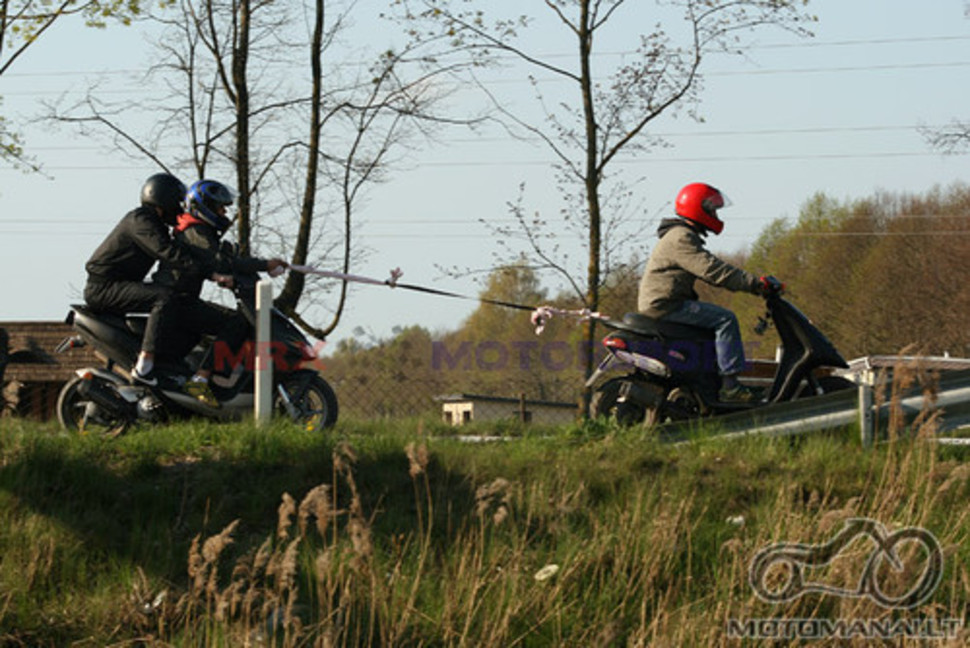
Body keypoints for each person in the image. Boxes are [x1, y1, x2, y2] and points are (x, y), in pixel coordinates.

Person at [637, 182, 777, 403]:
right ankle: (730, 387)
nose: (715, 214)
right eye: (712, 209)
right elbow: (712, 270)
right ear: (697, 208)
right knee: (725, 319)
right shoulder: (681, 237)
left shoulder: (679, 235)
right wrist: (754, 284)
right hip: (665, 305)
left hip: (665, 302)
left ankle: (711, 383)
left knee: (710, 327)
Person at [153, 179, 287, 407]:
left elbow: (217, 262)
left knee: (229, 323)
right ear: (203, 206)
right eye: (220, 207)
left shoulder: (199, 231)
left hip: (182, 300)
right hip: (176, 302)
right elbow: (221, 263)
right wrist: (264, 265)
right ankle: (201, 379)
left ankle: (205, 377)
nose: (224, 212)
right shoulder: (195, 231)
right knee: (236, 323)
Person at [84, 173, 223, 385]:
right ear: (163, 199)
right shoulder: (141, 220)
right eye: (177, 202)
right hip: (104, 288)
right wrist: (208, 272)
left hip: (121, 285)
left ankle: (168, 367)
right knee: (164, 297)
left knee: (189, 320)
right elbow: (166, 251)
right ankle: (144, 366)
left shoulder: (154, 223)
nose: (180, 208)